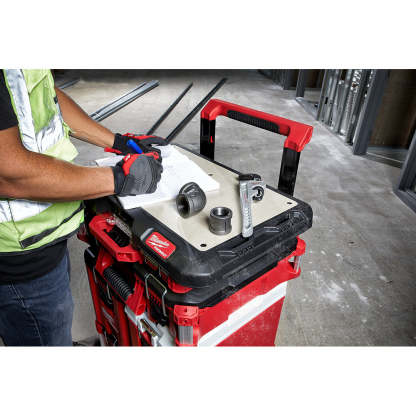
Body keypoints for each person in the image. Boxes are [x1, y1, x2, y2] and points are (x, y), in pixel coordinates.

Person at [0, 69, 164, 346]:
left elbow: (44, 95)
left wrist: (120, 143)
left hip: (42, 236)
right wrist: (119, 179)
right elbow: (8, 174)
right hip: (19, 258)